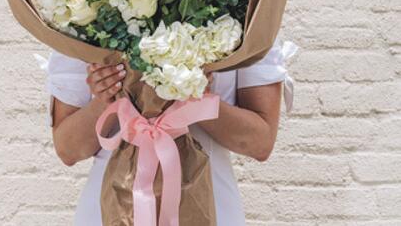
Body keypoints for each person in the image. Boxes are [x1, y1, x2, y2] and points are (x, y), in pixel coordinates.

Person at [36, 37, 297, 226]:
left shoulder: (248, 11)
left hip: (211, 207)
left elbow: (259, 142)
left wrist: (197, 96)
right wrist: (109, 96)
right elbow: (68, 149)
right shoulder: (80, 9)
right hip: (109, 210)